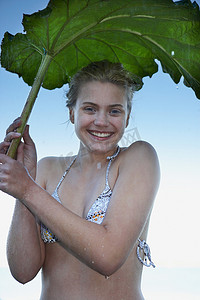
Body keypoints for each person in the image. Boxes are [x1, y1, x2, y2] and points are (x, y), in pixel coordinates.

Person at [0, 60, 160, 300]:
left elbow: (108, 257)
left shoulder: (139, 158)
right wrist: (26, 181)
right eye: (90, 109)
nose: (102, 121)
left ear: (127, 117)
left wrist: (28, 190)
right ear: (72, 112)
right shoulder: (46, 169)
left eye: (114, 110)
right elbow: (23, 271)